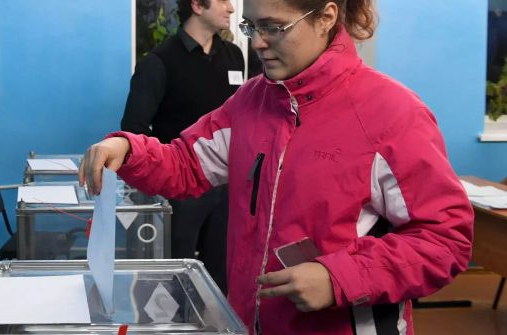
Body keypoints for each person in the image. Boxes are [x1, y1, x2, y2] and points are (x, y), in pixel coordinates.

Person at [81, 0, 474, 333]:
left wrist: (339, 277)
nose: (257, 42)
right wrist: (129, 150)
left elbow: (445, 238)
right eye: (251, 26)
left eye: (274, 27)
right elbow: (187, 163)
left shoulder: (393, 115)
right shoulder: (252, 102)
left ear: (326, 17)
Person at [121, 0, 245, 294]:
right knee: (176, 280)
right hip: (180, 192)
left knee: (222, 277)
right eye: (223, 1)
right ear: (198, 6)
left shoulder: (234, 56)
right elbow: (134, 129)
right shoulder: (158, 62)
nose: (230, 8)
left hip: (228, 190)